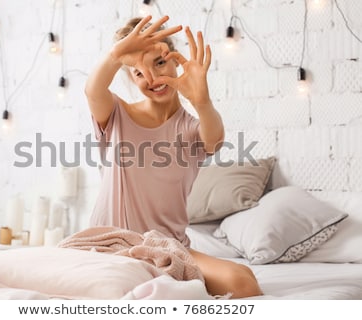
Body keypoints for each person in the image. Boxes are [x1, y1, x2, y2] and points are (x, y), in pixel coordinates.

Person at [84, 15, 262, 298]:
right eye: (139, 72)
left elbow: (214, 140)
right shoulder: (115, 114)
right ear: (130, 76)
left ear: (175, 61)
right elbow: (93, 89)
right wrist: (117, 53)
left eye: (159, 63)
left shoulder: (191, 129)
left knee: (244, 280)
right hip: (114, 246)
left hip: (169, 248)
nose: (152, 78)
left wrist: (202, 101)